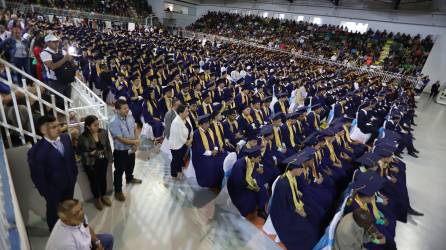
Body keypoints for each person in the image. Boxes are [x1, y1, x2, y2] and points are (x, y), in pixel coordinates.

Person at [27, 115, 78, 230]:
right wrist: (48, 193)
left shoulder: (65, 138)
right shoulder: (36, 151)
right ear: (43, 130)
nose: (59, 129)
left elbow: (71, 159)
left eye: (59, 125)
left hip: (69, 183)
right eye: (54, 127)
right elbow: (37, 177)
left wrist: (74, 175)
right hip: (53, 191)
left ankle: (69, 227)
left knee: (69, 208)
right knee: (53, 213)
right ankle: (55, 232)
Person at [45, 199, 114, 250]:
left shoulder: (78, 218)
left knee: (108, 238)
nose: (82, 213)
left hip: (85, 245)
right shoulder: (66, 244)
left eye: (81, 209)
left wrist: (97, 241)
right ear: (65, 220)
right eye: (76, 213)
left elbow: (87, 227)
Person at [109, 99, 142, 202]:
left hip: (131, 148)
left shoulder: (130, 117)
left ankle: (129, 178)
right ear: (117, 110)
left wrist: (136, 141)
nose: (127, 110)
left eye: (127, 108)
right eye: (124, 108)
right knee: (119, 170)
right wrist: (134, 143)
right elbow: (120, 138)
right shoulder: (114, 122)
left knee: (130, 164)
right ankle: (118, 191)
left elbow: (135, 128)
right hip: (121, 151)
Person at [78, 115, 113, 211]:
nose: (97, 127)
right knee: (94, 181)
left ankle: (104, 196)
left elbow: (108, 146)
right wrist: (90, 153)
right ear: (88, 127)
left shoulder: (103, 132)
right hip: (91, 163)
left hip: (103, 160)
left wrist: (110, 158)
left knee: (103, 179)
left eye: (98, 124)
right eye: (95, 125)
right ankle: (97, 198)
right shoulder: (82, 137)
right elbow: (80, 152)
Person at [40, 34, 74, 108]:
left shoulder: (63, 51)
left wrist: (71, 59)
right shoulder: (44, 53)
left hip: (66, 80)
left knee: (67, 101)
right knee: (59, 103)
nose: (57, 43)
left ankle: (68, 114)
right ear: (48, 43)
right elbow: (52, 66)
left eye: (57, 41)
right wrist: (65, 59)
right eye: (54, 42)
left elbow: (70, 63)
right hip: (55, 82)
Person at [169, 104, 193, 179]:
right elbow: (179, 136)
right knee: (176, 159)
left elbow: (191, 128)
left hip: (185, 143)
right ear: (180, 113)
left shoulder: (187, 118)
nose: (188, 113)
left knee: (180, 158)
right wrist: (187, 142)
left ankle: (179, 170)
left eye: (188, 111)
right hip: (176, 144)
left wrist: (191, 138)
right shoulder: (176, 122)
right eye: (186, 111)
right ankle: (174, 174)